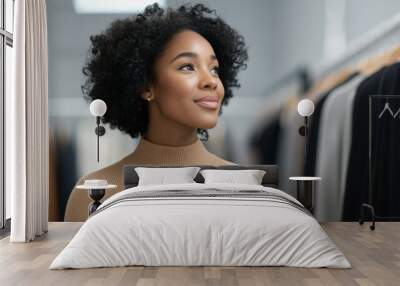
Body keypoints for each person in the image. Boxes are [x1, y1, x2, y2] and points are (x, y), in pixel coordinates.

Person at [64, 3, 248, 221]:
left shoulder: (245, 185)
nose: (211, 81)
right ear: (145, 86)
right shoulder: (93, 193)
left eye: (214, 69)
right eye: (187, 66)